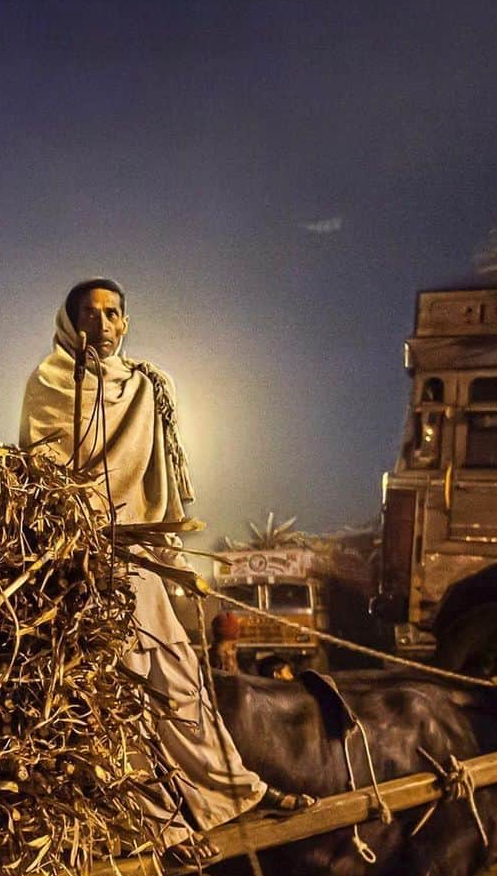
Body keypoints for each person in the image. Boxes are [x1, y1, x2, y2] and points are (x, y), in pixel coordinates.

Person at [19, 278, 311, 844]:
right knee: (109, 698)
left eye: (111, 314)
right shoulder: (50, 382)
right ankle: (150, 821)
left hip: (137, 564)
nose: (101, 325)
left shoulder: (149, 387)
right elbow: (40, 470)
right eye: (89, 314)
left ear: (125, 323)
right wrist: (77, 532)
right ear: (70, 322)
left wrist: (167, 555)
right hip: (77, 566)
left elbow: (159, 477)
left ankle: (233, 789)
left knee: (179, 682)